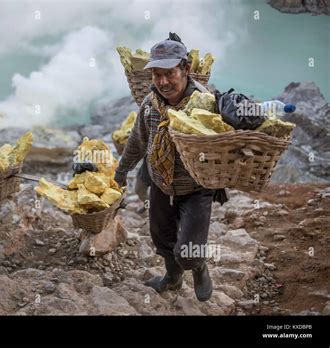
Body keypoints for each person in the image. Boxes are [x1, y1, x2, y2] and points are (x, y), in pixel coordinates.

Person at [114, 33, 266, 301]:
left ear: (185, 69)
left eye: (169, 73)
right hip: (161, 183)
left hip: (197, 187)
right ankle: (172, 278)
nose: (162, 82)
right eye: (156, 75)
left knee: (188, 251)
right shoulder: (150, 105)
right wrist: (121, 171)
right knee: (161, 238)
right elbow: (138, 142)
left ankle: (198, 268)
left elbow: (230, 143)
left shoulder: (205, 104)